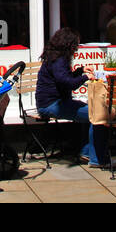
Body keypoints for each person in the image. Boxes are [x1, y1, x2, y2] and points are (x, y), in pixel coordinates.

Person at [35, 27, 105, 166]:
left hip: (51, 102)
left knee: (90, 111)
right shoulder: (59, 60)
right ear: (68, 44)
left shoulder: (56, 58)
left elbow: (64, 78)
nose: (77, 49)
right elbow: (68, 83)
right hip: (52, 104)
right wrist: (85, 77)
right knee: (96, 115)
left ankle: (86, 153)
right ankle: (97, 159)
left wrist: (80, 71)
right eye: (76, 45)